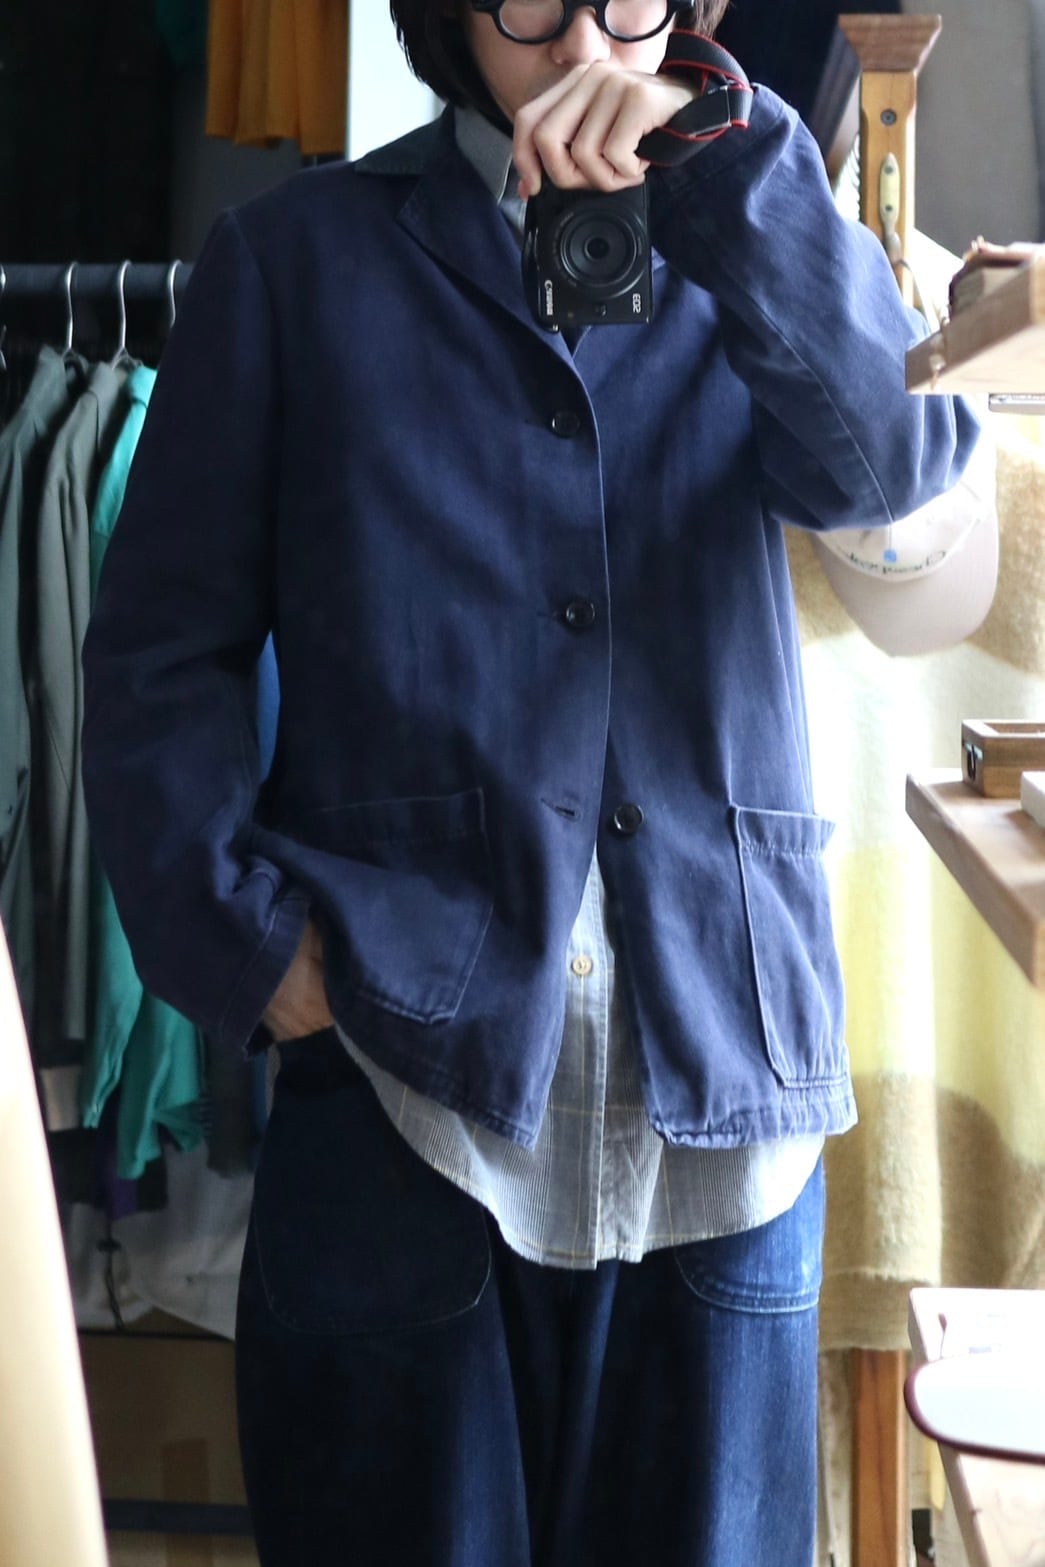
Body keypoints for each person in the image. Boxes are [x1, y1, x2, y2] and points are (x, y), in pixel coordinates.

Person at [81, 2, 980, 1563]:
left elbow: (891, 471)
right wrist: (250, 949)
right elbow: (161, 653)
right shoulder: (294, 261)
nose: (578, 39)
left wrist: (725, 161)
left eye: (624, 0)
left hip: (723, 1074)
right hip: (393, 1080)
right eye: (527, 0)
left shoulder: (757, 228)